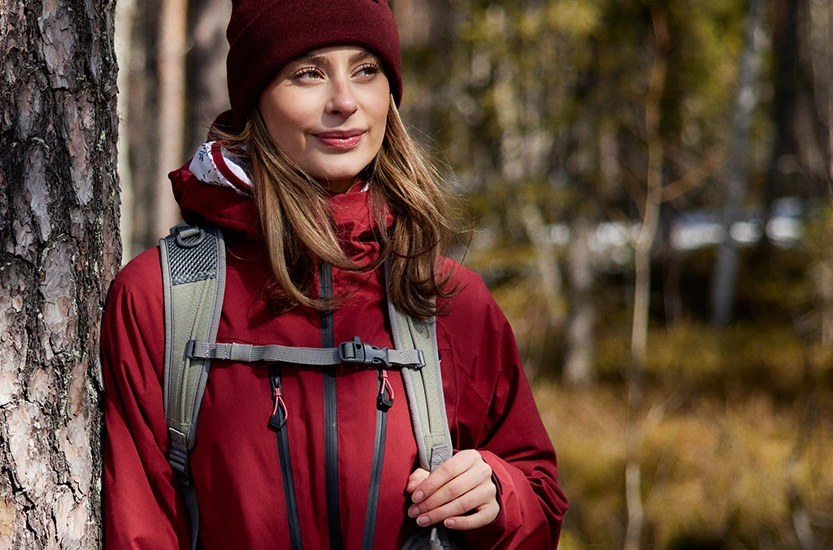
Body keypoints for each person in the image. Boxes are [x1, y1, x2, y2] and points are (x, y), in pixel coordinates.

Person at [100, 0, 568, 548]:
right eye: (308, 73)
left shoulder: (448, 299)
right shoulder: (162, 299)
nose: (345, 101)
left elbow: (540, 502)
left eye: (366, 70)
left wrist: (498, 495)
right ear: (255, 98)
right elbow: (141, 530)